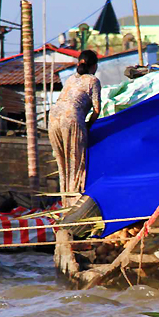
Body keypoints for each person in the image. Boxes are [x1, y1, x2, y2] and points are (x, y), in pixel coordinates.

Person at [48, 49, 102, 207]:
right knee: (76, 164)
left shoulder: (71, 79)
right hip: (71, 118)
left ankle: (65, 203)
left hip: (53, 117)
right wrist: (87, 127)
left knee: (62, 164)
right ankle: (74, 205)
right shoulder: (93, 80)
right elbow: (97, 110)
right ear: (94, 66)